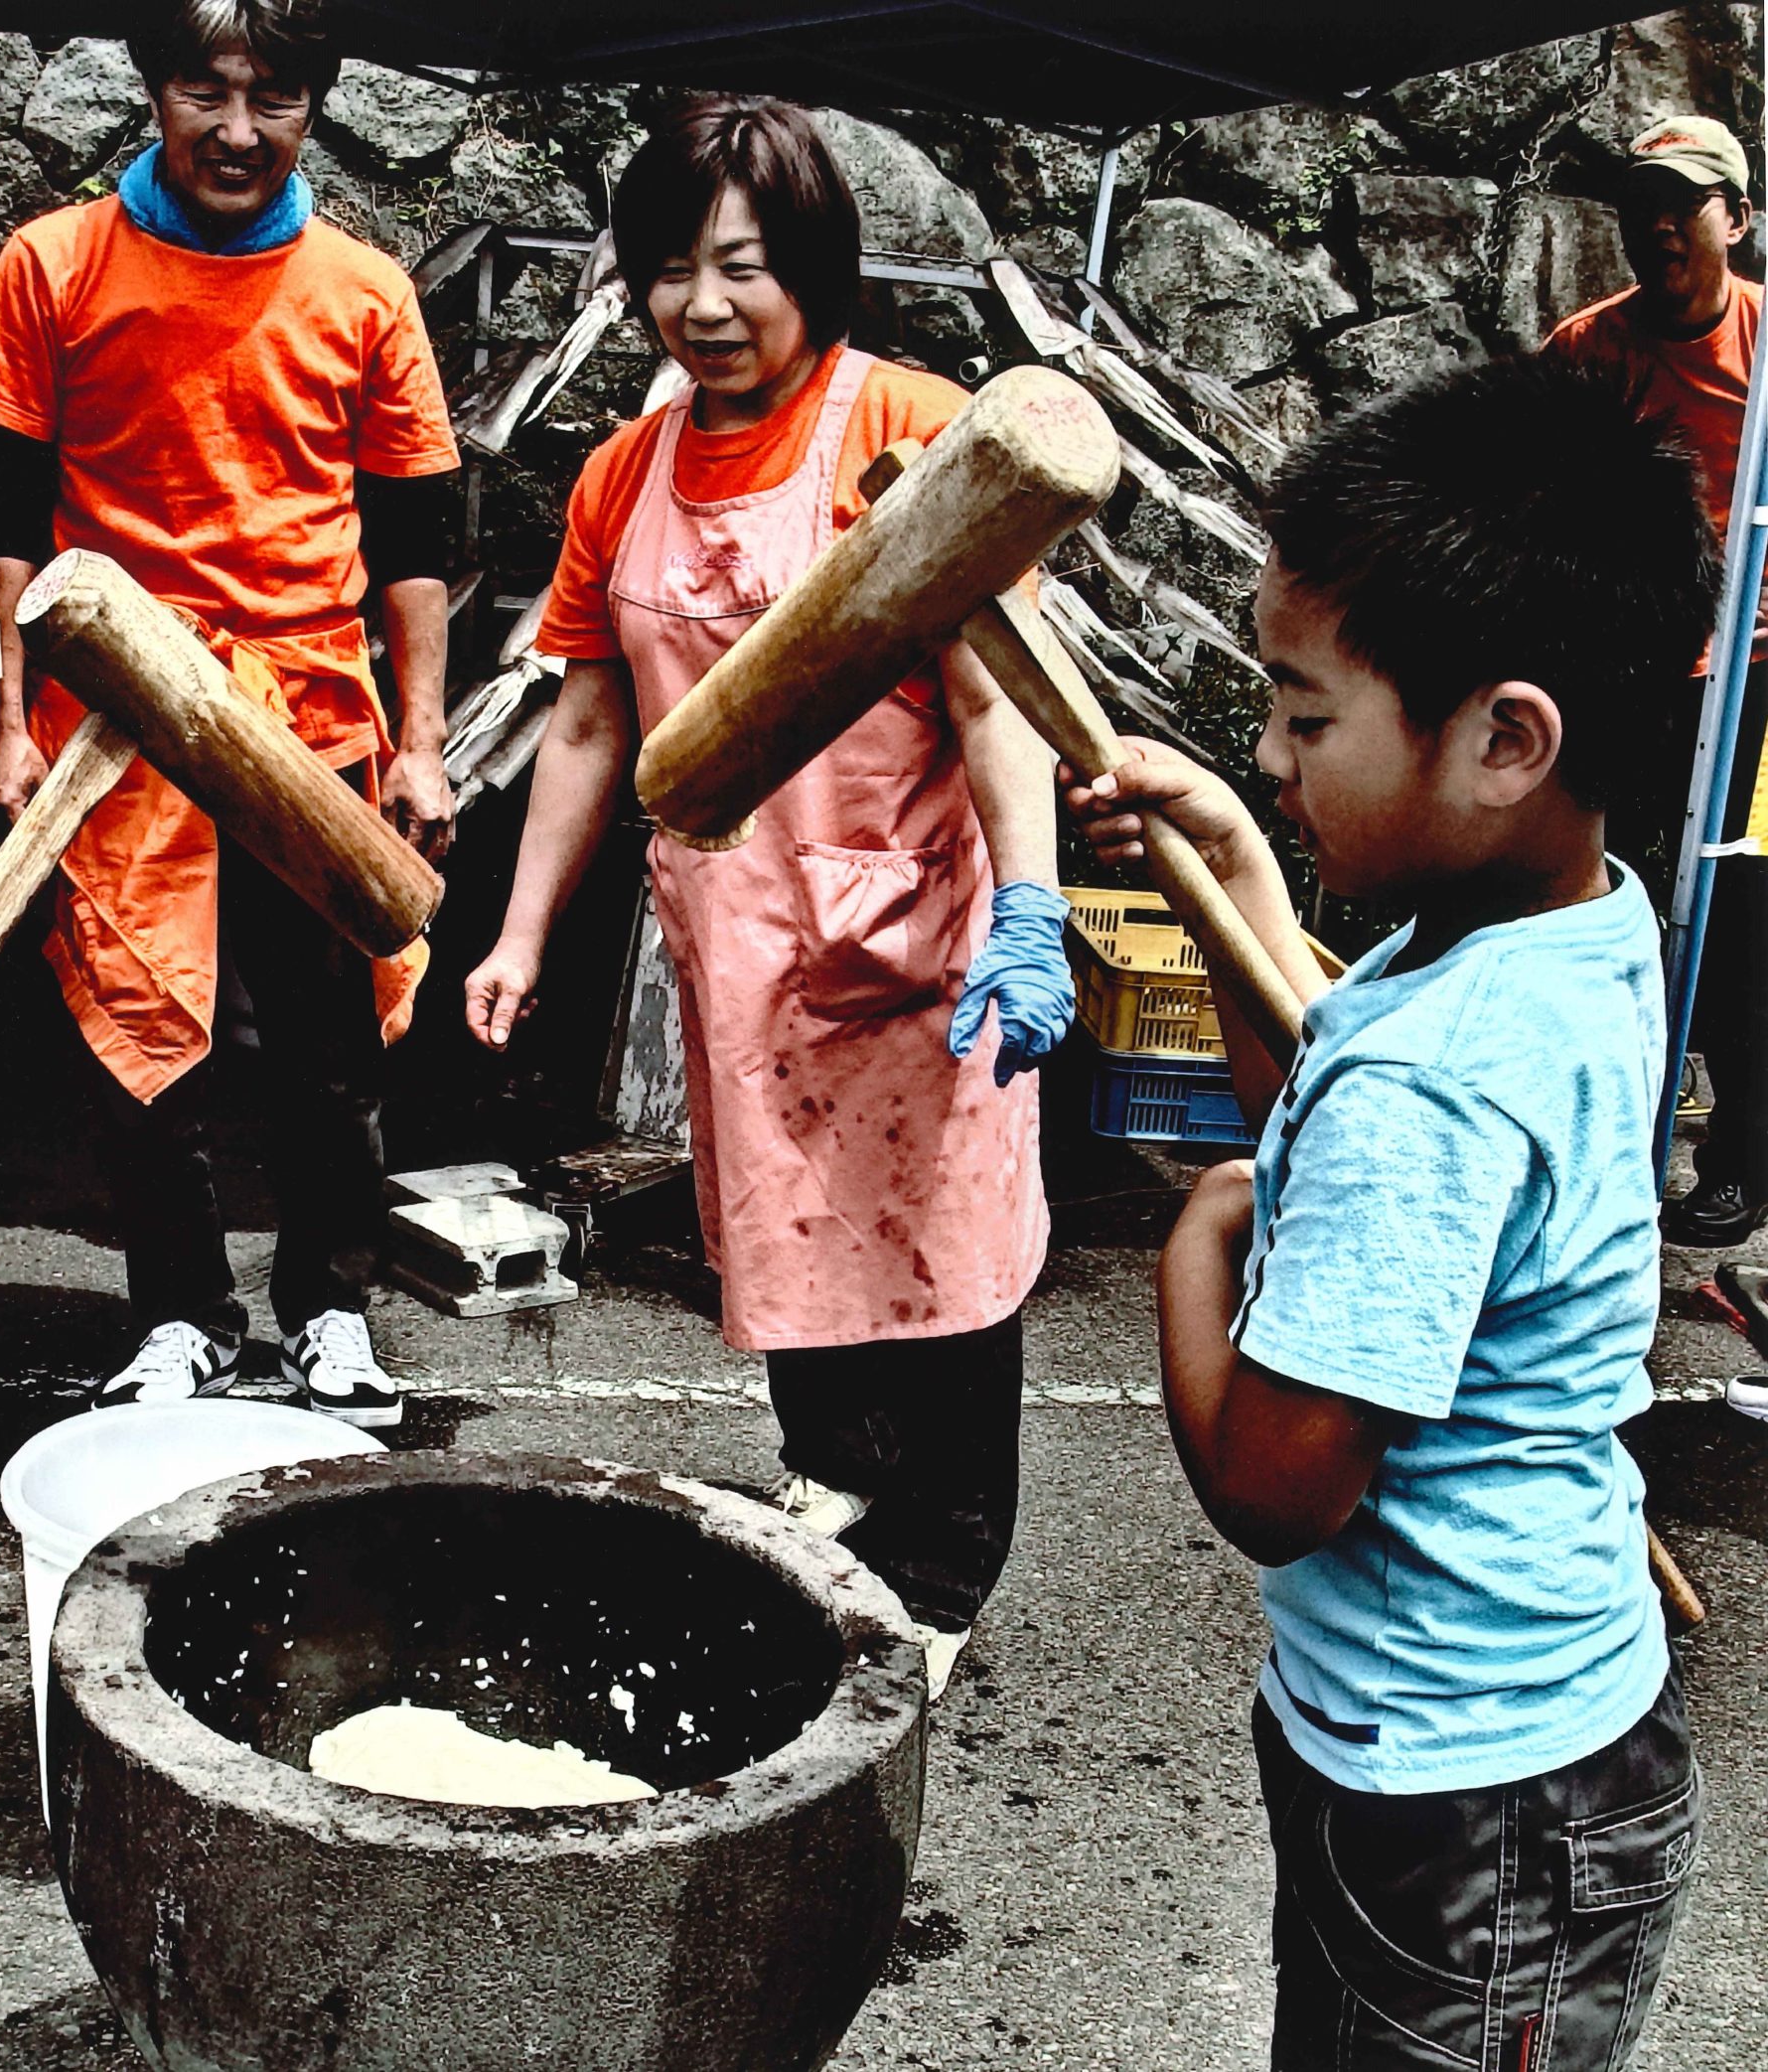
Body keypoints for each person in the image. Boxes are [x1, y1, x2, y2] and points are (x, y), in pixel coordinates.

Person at [1063, 357, 1710, 2067]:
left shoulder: (1442, 1076)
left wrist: (1198, 1242)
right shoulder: (1559, 928)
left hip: (1473, 1809)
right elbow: (1321, 1101)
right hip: (1484, 1755)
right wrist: (1234, 873)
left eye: (1304, 716)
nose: (1269, 753)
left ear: (1504, 740)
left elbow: (1277, 1486)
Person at [462, 97, 1077, 1702]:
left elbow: (998, 699)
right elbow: (589, 720)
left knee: (943, 1255)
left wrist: (1033, 906)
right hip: (742, 939)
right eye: (671, 269)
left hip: (920, 935)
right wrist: (520, 932)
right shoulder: (623, 473)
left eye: (742, 265)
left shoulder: (916, 431)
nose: (705, 305)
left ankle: (943, 1563)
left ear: (816, 265)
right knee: (786, 1230)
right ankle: (839, 1472)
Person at [0, 0, 458, 1427]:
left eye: (272, 95)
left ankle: (333, 1306)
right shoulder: (53, 264)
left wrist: (420, 742)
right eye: (204, 89)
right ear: (154, 89)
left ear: (313, 104)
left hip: (308, 708)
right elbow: (0, 519)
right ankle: (177, 1312)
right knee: (138, 1025)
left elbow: (416, 537)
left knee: (331, 1042)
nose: (237, 129)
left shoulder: (365, 290)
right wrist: (4, 717)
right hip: (117, 708)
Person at [1544, 113, 1764, 1247]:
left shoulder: (1765, 339)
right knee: (1611, 893)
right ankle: (1602, 1147)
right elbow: (1533, 496)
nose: (1659, 226)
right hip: (1630, 658)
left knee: (1740, 905)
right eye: (1640, 207)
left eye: (1682, 205)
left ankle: (1743, 1156)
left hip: (1757, 670)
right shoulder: (1590, 350)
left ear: (1738, 218)